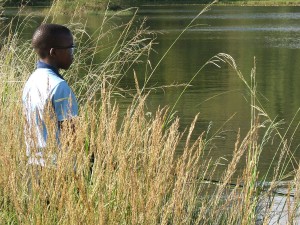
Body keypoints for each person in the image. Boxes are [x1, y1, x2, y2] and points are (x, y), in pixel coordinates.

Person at [22, 24, 78, 167]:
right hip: (57, 167)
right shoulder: (59, 86)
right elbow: (71, 135)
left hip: (34, 164)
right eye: (70, 49)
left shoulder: (32, 80)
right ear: (53, 52)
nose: (72, 54)